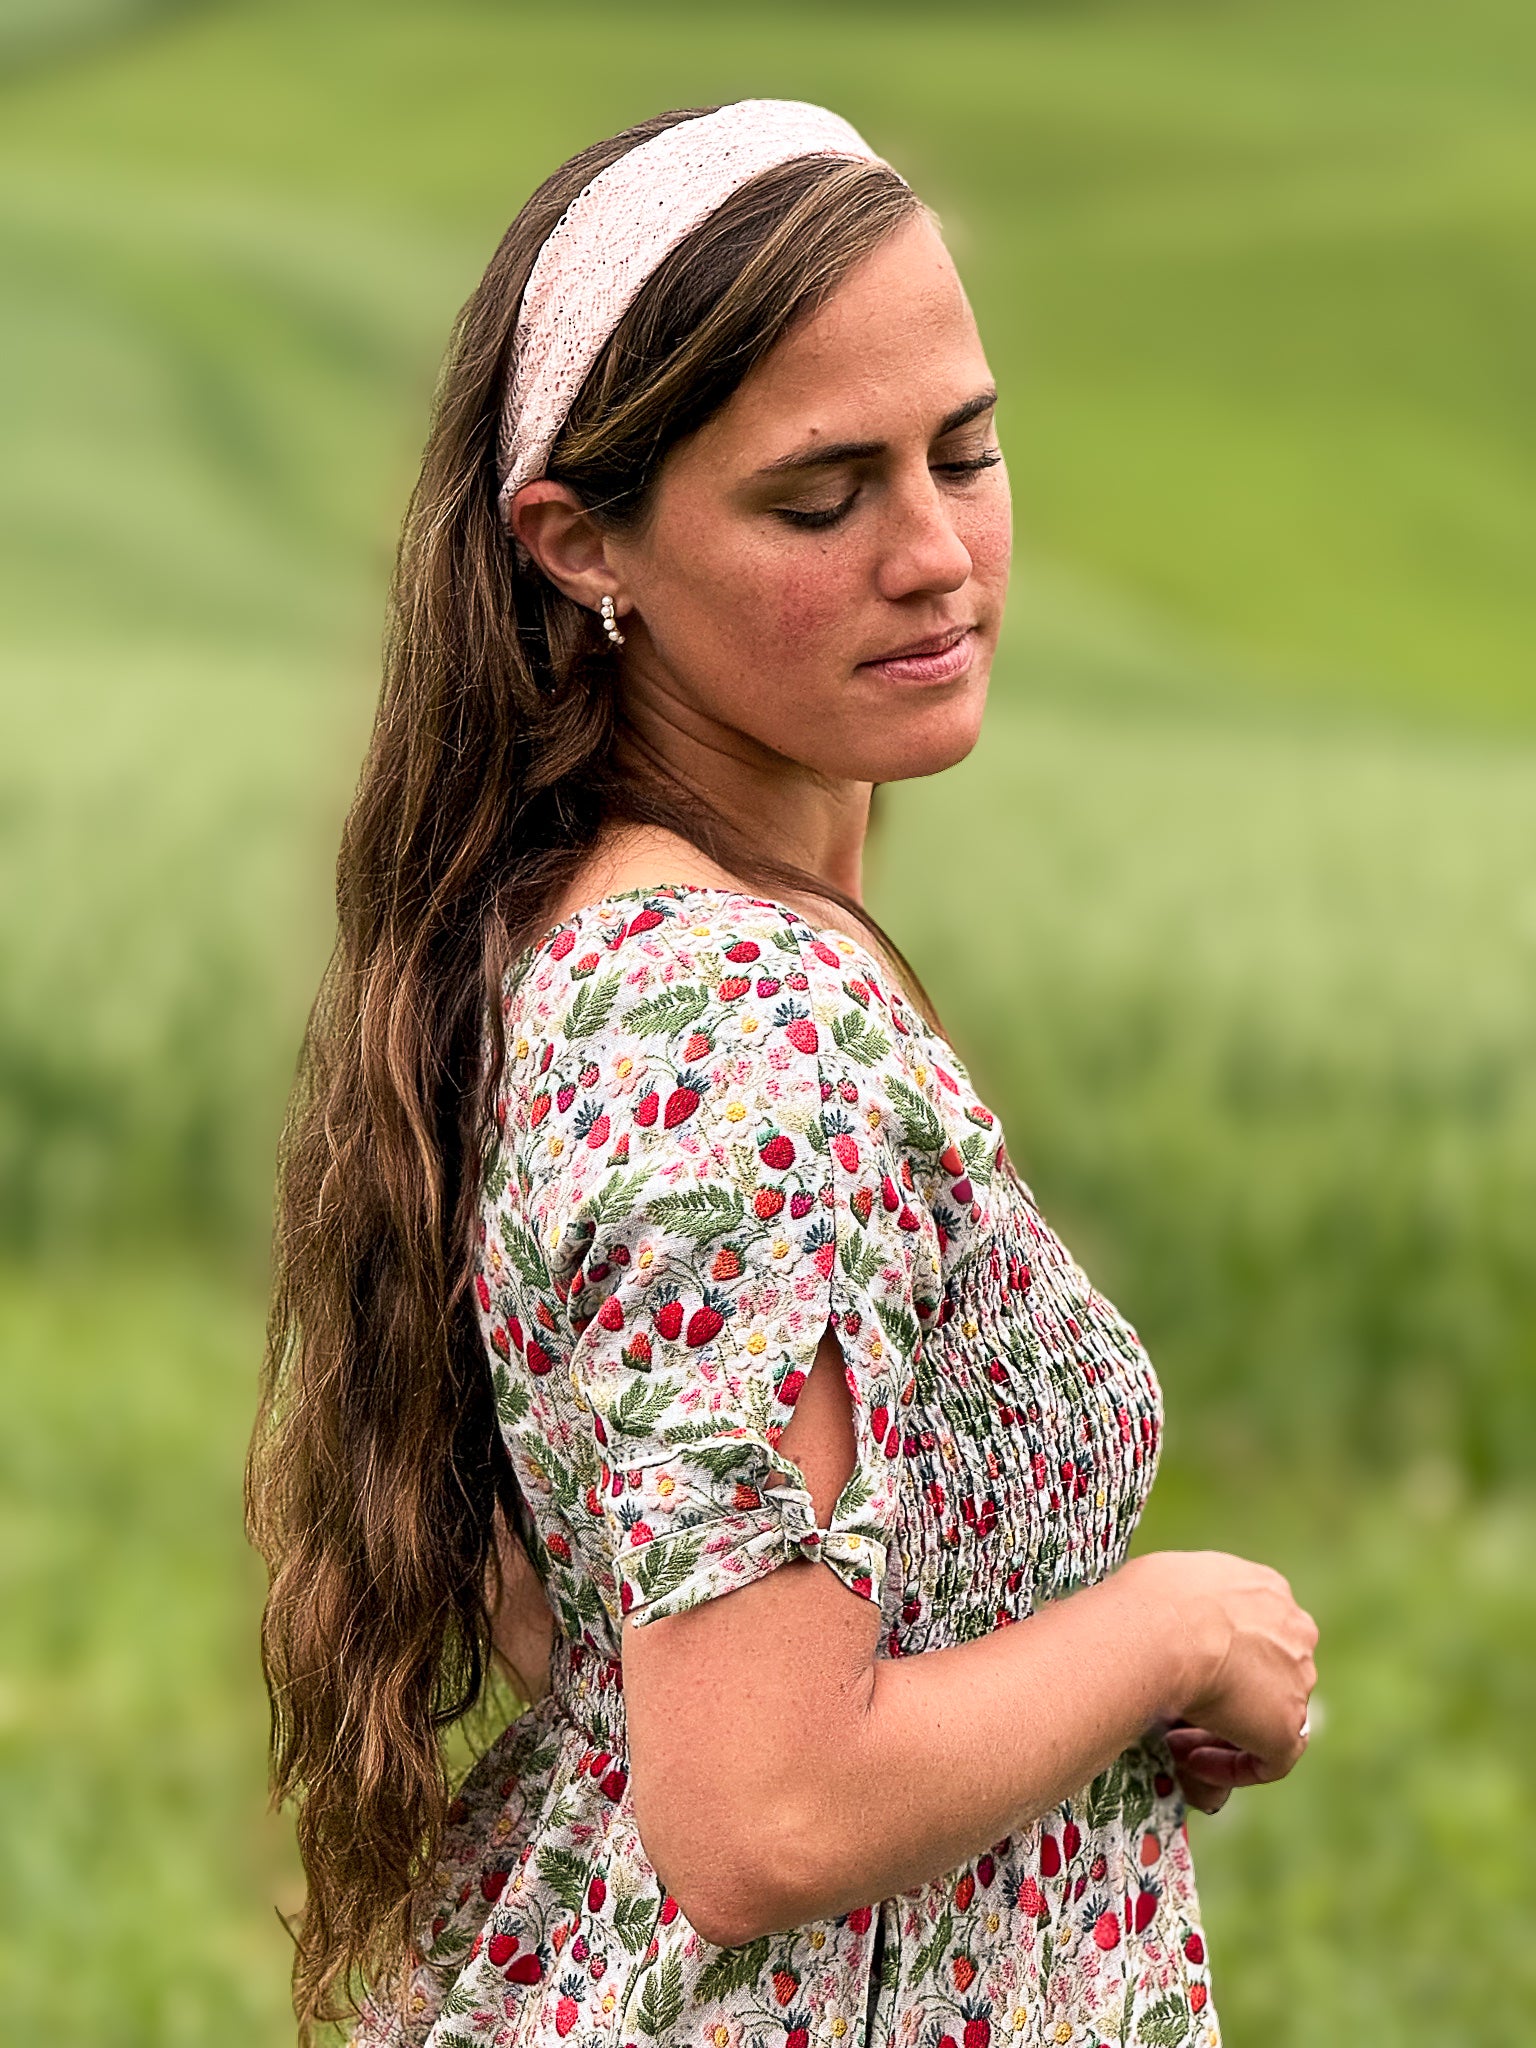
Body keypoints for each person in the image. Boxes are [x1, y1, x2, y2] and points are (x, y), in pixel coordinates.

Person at [247, 98, 1318, 2048]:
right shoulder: (742, 1026)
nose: (935, 551)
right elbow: (763, 1807)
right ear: (583, 550)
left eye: (966, 452)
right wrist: (1172, 1624)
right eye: (820, 497)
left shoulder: (588, 922)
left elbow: (584, 1575)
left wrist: (1039, 1693)